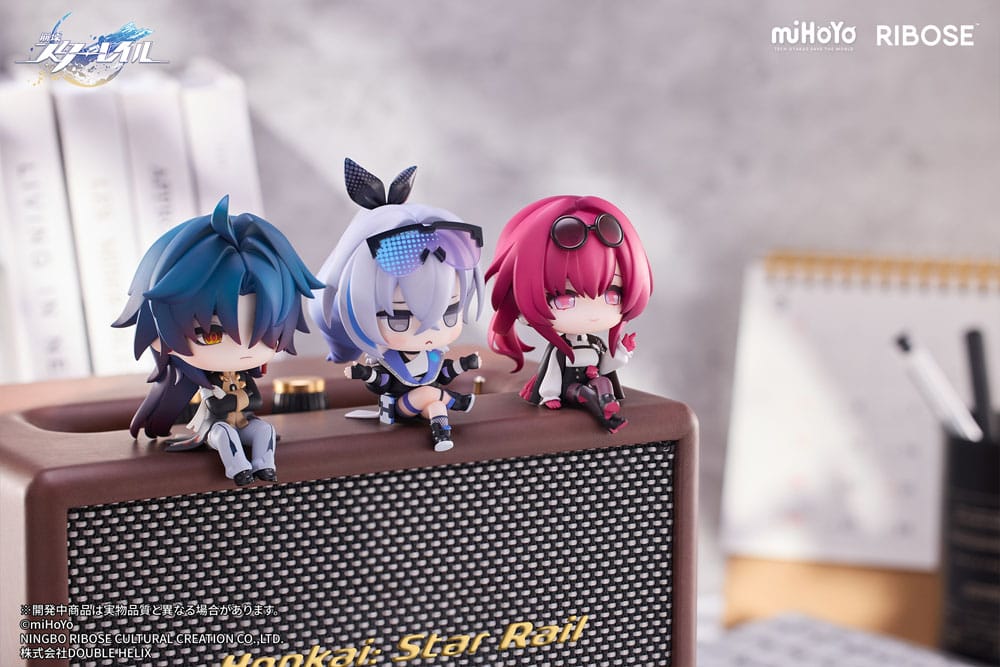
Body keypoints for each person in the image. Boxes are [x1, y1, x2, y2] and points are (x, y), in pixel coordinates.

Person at [113, 195, 322, 485]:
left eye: (266, 331)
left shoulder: (244, 376)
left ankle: (265, 465)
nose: (244, 346)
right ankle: (238, 469)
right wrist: (233, 398)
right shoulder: (208, 383)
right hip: (214, 428)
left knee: (264, 430)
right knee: (224, 434)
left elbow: (254, 401)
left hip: (244, 422)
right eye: (212, 333)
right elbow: (217, 408)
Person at [311, 159, 484, 452]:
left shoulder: (432, 355)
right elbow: (379, 381)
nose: (429, 330)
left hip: (423, 402)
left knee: (431, 396)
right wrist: (362, 373)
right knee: (429, 394)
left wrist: (465, 364)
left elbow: (444, 372)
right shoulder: (388, 360)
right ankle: (451, 407)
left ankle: (444, 422)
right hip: (398, 408)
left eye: (450, 312)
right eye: (399, 318)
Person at [486, 195, 652, 432]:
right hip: (571, 390)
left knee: (602, 382)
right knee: (584, 392)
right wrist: (550, 396)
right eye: (566, 298)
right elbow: (552, 373)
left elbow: (606, 366)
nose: (593, 311)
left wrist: (623, 351)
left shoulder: (595, 344)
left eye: (612, 295)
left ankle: (608, 405)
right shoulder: (560, 351)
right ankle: (606, 412)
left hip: (596, 383)